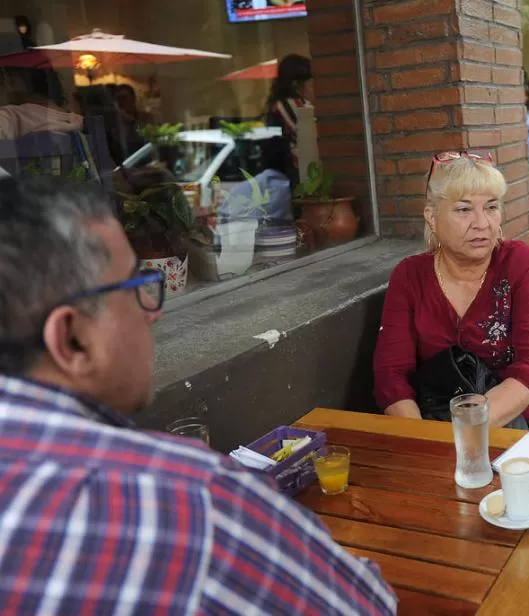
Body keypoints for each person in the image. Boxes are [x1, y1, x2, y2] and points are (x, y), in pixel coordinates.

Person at [0, 175, 396, 614]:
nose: (152, 315)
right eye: (135, 290)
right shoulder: (187, 503)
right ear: (73, 339)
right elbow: (366, 607)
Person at [373, 152, 529, 432]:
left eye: (491, 207)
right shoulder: (410, 276)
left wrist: (466, 438)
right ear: (431, 217)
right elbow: (391, 376)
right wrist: (424, 440)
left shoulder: (522, 264)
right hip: (435, 426)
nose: (482, 223)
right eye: (464, 209)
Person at [220, 135, 294, 222]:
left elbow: (222, 221)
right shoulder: (287, 190)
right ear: (290, 159)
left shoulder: (238, 190)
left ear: (261, 159)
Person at [265, 54, 312, 180]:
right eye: (310, 82)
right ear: (296, 84)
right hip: (294, 172)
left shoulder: (275, 105)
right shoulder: (295, 106)